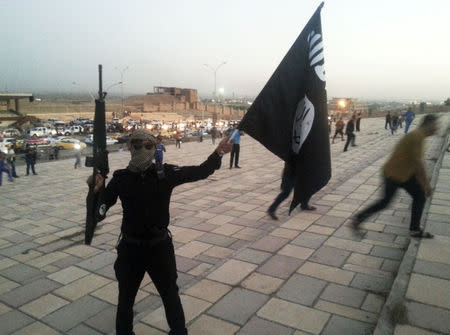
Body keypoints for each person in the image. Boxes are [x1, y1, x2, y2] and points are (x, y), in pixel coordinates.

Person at [87, 129, 233, 335]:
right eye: (137, 146)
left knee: (170, 295)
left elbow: (200, 171)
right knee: (125, 299)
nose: (142, 150)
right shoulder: (121, 178)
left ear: (155, 148)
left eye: (148, 146)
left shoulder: (165, 174)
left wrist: (219, 152)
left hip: (159, 248)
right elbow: (99, 212)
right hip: (131, 249)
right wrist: (95, 191)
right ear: (131, 148)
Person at [352, 114, 439, 238]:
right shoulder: (416, 137)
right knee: (385, 202)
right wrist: (427, 186)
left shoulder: (419, 137)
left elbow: (415, 163)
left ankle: (414, 229)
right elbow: (419, 165)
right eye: (436, 125)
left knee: (419, 197)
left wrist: (422, 183)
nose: (437, 128)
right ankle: (357, 219)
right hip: (393, 174)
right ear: (428, 124)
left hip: (404, 174)